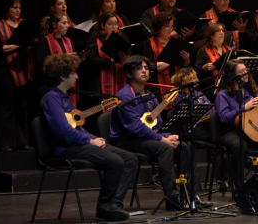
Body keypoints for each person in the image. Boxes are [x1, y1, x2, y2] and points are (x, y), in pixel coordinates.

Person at [39, 54, 137, 221]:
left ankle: (114, 204)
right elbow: (64, 132)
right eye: (73, 73)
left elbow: (78, 128)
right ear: (62, 76)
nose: (77, 76)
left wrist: (93, 138)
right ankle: (104, 205)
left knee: (130, 159)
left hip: (77, 143)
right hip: (65, 148)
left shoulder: (65, 98)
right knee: (115, 161)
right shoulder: (51, 99)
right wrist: (90, 141)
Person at [111, 55, 207, 210]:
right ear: (129, 74)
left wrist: (167, 136)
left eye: (146, 68)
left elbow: (159, 123)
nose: (144, 71)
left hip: (147, 138)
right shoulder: (124, 96)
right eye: (138, 68)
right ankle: (173, 198)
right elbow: (135, 127)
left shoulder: (150, 95)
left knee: (183, 147)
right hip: (126, 140)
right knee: (164, 148)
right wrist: (162, 139)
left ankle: (193, 195)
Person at [215, 59, 258, 187]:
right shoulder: (223, 95)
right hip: (232, 131)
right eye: (241, 72)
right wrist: (243, 108)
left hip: (253, 130)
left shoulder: (252, 93)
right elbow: (224, 118)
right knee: (240, 145)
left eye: (246, 71)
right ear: (232, 75)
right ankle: (239, 186)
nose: (246, 74)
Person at [0, 0, 34, 152]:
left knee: (22, 106)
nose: (17, 10)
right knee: (7, 105)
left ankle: (22, 141)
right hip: (6, 69)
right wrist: (17, 45)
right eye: (14, 7)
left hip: (24, 69)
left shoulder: (24, 24)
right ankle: (4, 142)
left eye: (19, 7)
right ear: (7, 9)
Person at [35, 12, 86, 105]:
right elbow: (41, 63)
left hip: (68, 85)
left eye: (67, 23)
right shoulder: (45, 40)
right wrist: (65, 58)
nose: (67, 25)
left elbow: (75, 66)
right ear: (54, 24)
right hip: (51, 86)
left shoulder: (69, 41)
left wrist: (81, 59)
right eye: (63, 23)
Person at [140, 12, 191, 97]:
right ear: (159, 27)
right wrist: (172, 60)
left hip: (177, 84)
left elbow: (184, 65)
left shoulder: (177, 41)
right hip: (158, 87)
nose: (170, 29)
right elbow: (149, 66)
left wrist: (186, 59)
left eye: (172, 26)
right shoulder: (150, 43)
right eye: (167, 26)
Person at [83, 13, 130, 100]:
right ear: (102, 25)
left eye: (116, 24)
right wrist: (110, 60)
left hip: (119, 79)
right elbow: (90, 59)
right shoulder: (94, 39)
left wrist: (127, 59)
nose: (114, 26)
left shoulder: (123, 38)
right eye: (110, 24)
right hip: (99, 82)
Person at [171, 67, 214, 141]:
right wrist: (202, 108)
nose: (193, 81)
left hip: (202, 125)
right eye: (190, 79)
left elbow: (212, 109)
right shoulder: (179, 98)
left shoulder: (199, 93)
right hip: (189, 128)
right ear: (182, 82)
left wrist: (199, 109)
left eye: (194, 78)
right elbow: (188, 114)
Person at [195, 23, 232, 100]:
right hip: (210, 92)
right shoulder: (203, 50)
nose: (222, 32)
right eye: (218, 30)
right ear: (211, 35)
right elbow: (196, 72)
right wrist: (204, 68)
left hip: (228, 89)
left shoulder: (229, 50)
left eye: (223, 30)